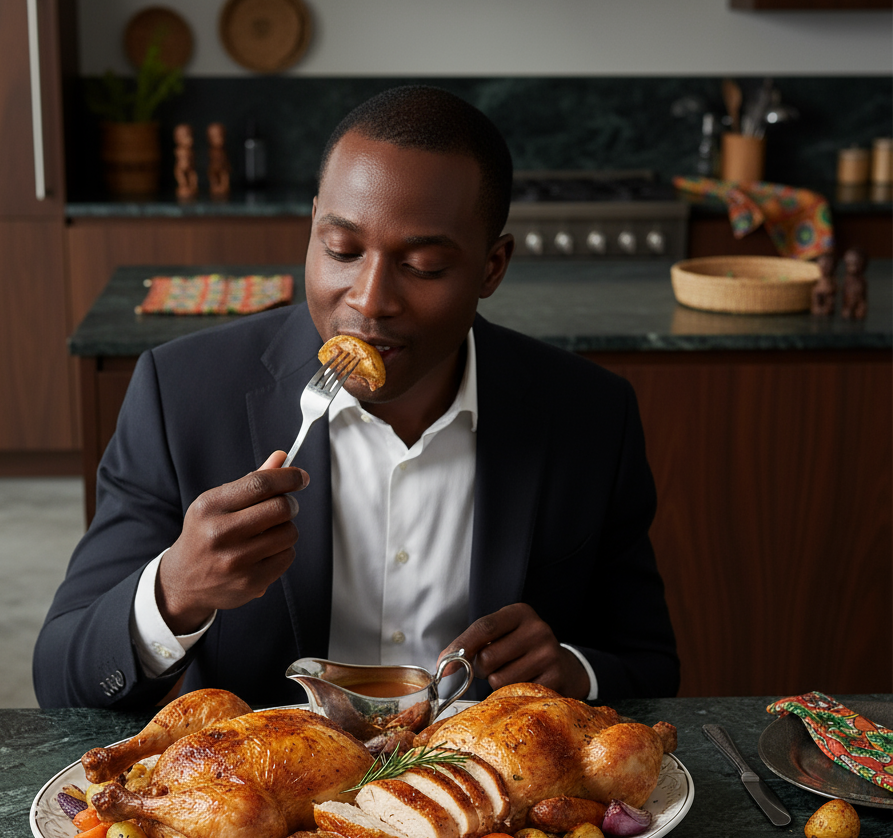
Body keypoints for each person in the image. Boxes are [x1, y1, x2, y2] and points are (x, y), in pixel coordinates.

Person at [34, 86, 678, 710]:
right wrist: (175, 591)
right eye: (341, 250)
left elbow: (650, 666)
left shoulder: (591, 414)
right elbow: (63, 675)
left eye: (423, 265)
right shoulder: (181, 394)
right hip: (270, 798)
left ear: (492, 267)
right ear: (314, 226)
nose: (369, 300)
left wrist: (573, 670)